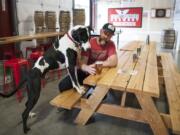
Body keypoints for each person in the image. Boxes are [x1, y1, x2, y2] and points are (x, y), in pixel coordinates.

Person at [58, 23, 118, 93]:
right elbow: (82, 63)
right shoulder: (90, 42)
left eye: (109, 35)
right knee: (62, 85)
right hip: (86, 72)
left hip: (99, 72)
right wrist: (86, 67)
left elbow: (114, 62)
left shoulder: (111, 44)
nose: (106, 36)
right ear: (101, 31)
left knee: (101, 93)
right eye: (105, 33)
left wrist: (97, 64)